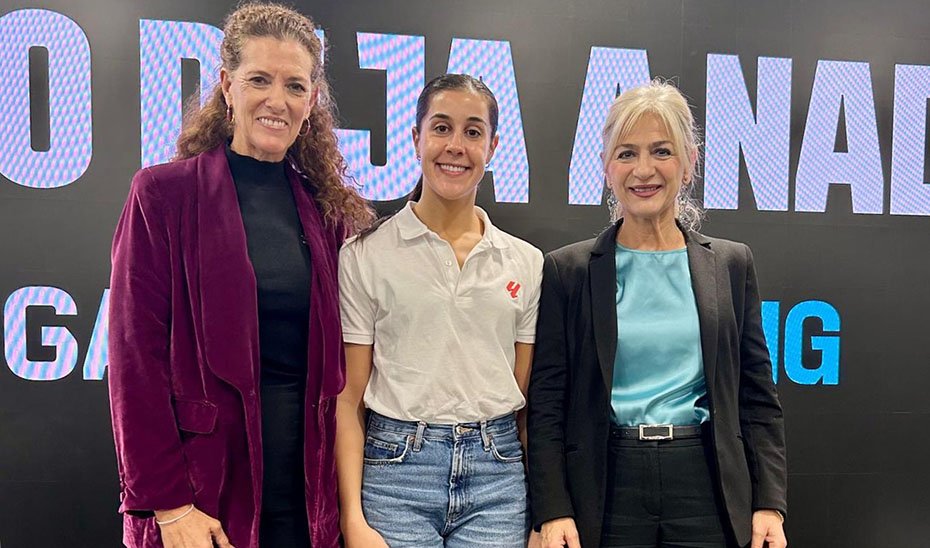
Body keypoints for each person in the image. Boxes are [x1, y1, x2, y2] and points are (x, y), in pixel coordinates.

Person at [107, 3, 373, 547]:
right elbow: (135, 361)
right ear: (227, 86)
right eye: (259, 80)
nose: (277, 100)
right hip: (202, 497)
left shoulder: (326, 213)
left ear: (312, 101)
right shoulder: (163, 196)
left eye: (295, 86)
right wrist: (169, 503)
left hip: (304, 498)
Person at [527, 80, 788, 548]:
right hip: (606, 486)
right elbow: (548, 405)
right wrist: (553, 509)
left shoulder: (731, 263)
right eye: (626, 153)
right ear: (607, 167)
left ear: (688, 163)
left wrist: (769, 501)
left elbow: (757, 395)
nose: (643, 170)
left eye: (661, 151)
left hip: (705, 482)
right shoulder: (568, 270)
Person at [336, 74, 543, 548]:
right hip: (395, 477)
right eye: (441, 128)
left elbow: (526, 405)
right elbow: (348, 400)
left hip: (499, 479)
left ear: (493, 146)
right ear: (416, 138)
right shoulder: (365, 255)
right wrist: (353, 519)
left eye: (473, 132)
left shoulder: (526, 263)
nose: (456, 146)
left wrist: (539, 517)